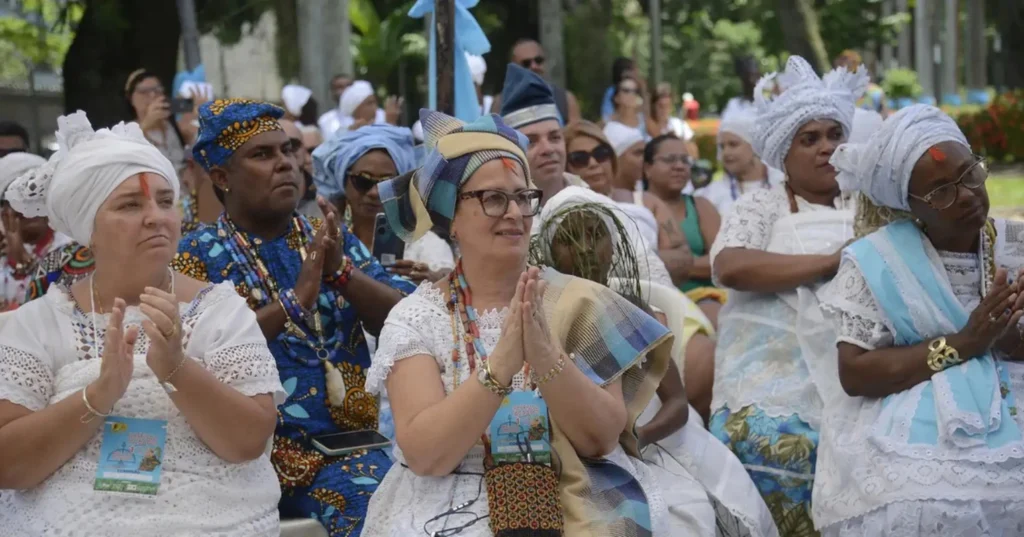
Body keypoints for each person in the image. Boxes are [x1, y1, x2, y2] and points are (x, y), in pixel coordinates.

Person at [364, 109, 673, 535]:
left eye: (522, 197)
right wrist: (501, 366)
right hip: (446, 500)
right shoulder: (416, 317)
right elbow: (426, 455)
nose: (514, 212)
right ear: (451, 218)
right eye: (493, 198)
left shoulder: (578, 301)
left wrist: (545, 356)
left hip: (572, 487)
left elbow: (601, 438)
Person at [0, 110, 284, 535]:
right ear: (87, 227)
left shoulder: (220, 310)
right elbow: (10, 466)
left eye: (165, 201)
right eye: (131, 204)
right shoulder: (37, 324)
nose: (156, 216)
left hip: (213, 519)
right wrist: (99, 393)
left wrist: (175, 368)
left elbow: (249, 443)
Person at [174, 98, 415, 536]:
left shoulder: (328, 237)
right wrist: (293, 302)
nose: (285, 164)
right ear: (222, 178)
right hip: (253, 453)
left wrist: (342, 275)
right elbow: (189, 355)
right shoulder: (194, 255)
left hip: (352, 447)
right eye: (262, 155)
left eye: (287, 150)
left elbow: (409, 320)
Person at [816, 104, 1024, 536]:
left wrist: (1006, 340)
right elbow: (855, 373)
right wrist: (967, 342)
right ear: (909, 206)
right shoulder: (877, 260)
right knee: (918, 506)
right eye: (942, 191)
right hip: (914, 403)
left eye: (971, 175)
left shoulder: (1015, 245)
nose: (967, 195)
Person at [531, 191, 780, 537]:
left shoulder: (635, 310)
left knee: (688, 516)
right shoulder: (542, 311)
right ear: (547, 250)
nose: (585, 248)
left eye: (596, 234)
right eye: (569, 239)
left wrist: (639, 438)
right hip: (574, 450)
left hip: (655, 442)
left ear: (614, 244)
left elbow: (677, 402)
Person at [708, 55, 867, 534]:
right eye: (810, 138)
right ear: (784, 153)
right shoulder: (762, 204)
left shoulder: (869, 203)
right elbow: (729, 265)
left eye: (835, 134)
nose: (827, 148)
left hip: (858, 359)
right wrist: (827, 263)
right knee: (771, 439)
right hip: (772, 366)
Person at [312, 124, 454, 283]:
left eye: (387, 184)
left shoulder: (428, 246)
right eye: (363, 180)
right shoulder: (325, 241)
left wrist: (435, 282)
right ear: (344, 183)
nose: (374, 193)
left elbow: (456, 287)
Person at [643, 134, 726, 328]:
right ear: (647, 168)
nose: (679, 166)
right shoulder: (637, 208)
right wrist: (697, 265)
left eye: (685, 160)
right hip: (654, 305)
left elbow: (722, 262)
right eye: (669, 160)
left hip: (708, 299)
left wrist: (670, 263)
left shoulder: (701, 206)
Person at [602, 121, 694, 288]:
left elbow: (683, 258)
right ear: (615, 159)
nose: (644, 161)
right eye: (637, 154)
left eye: (684, 160)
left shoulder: (648, 201)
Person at [498, 63, 584, 202]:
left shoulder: (594, 203)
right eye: (531, 142)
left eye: (554, 137)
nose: (548, 149)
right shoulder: (501, 219)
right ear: (509, 152)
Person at [0, 153, 73, 309]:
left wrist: (23, 261)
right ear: (5, 212)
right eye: (17, 198)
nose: (28, 207)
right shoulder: (2, 254)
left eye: (35, 196)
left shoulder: (72, 247)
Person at [693, 109, 784, 216]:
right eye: (722, 146)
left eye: (733, 144)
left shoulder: (782, 183)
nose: (726, 152)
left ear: (754, 146)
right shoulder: (711, 195)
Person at [490, 38, 581, 124]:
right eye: (526, 63)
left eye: (538, 60)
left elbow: (576, 136)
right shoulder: (500, 103)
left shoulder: (564, 99)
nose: (534, 66)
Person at [124, 69, 194, 177]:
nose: (152, 95)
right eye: (144, 92)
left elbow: (188, 156)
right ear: (131, 98)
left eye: (157, 90)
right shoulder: (126, 131)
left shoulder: (172, 126)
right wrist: (147, 123)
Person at [318, 80, 402, 137]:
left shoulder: (383, 117)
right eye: (369, 103)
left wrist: (391, 123)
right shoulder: (344, 134)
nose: (374, 107)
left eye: (375, 102)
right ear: (355, 109)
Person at [280, 119, 321, 220]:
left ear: (303, 148)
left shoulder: (327, 195)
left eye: (291, 145)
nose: (283, 157)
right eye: (269, 150)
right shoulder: (259, 200)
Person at [651, 83, 699, 157]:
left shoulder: (680, 125)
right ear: (653, 105)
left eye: (667, 105)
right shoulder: (644, 126)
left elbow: (694, 155)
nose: (664, 110)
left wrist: (677, 141)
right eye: (661, 106)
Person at [721, 56, 761, 121]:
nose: (755, 81)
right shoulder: (734, 105)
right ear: (743, 79)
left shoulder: (768, 103)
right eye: (751, 76)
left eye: (757, 75)